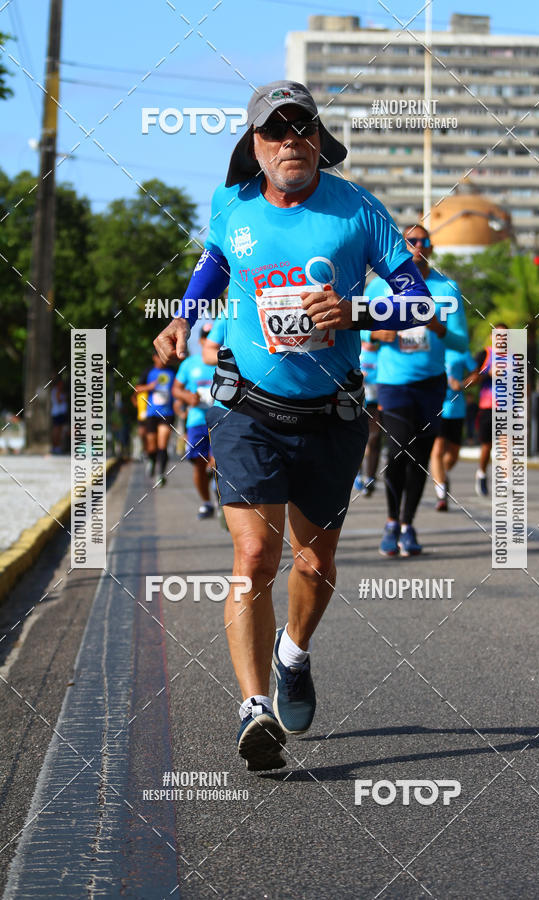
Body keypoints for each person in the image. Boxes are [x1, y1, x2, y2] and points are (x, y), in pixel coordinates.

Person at [153, 80, 440, 771]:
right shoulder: (231, 204)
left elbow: (420, 303)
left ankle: (294, 652)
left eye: (302, 128)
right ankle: (254, 708)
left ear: (319, 139)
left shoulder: (358, 209)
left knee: (314, 562)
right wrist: (182, 318)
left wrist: (357, 312)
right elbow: (214, 265)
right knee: (255, 555)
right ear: (254, 145)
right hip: (246, 407)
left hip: (331, 413)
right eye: (275, 131)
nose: (290, 142)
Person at [366, 224, 468, 557]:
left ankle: (407, 525)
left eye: (423, 241)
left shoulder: (446, 289)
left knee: (421, 457)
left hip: (431, 384)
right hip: (393, 383)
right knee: (397, 450)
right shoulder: (379, 287)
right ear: (401, 246)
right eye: (410, 241)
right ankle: (391, 522)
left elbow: (461, 343)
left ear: (431, 248)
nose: (417, 246)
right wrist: (374, 335)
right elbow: (354, 329)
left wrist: (439, 328)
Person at [172, 323, 217, 519]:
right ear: (200, 341)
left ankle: (223, 498)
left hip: (221, 419)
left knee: (217, 460)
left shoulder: (226, 361)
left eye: (213, 336)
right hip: (197, 420)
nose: (210, 340)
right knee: (199, 463)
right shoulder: (189, 364)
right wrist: (188, 397)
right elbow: (176, 389)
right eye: (206, 336)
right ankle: (207, 503)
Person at [430, 348, 478, 511]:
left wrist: (463, 384)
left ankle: (440, 475)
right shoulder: (432, 346)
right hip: (436, 407)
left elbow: (476, 375)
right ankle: (441, 494)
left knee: (453, 455)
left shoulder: (461, 350)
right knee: (437, 450)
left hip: (456, 409)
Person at [474, 322, 508, 497]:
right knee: (487, 446)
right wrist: (487, 374)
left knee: (505, 444)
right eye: (498, 335)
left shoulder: (514, 358)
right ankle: (481, 473)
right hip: (487, 407)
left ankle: (505, 481)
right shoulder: (485, 355)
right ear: (492, 337)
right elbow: (472, 378)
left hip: (507, 408)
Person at [135, 353, 176, 486]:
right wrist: (149, 387)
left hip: (167, 413)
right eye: (159, 356)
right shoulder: (148, 372)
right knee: (152, 446)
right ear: (154, 357)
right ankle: (151, 459)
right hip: (151, 413)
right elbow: (137, 389)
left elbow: (178, 388)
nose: (162, 359)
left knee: (162, 444)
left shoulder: (172, 372)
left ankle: (161, 474)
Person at [354, 330, 381, 496]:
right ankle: (357, 474)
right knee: (359, 440)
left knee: (374, 440)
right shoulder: (357, 353)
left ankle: (371, 477)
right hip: (358, 401)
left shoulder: (381, 354)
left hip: (376, 403)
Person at [50, 374, 68, 454]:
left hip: (59, 413)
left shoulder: (57, 390)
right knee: (57, 430)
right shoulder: (57, 390)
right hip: (58, 413)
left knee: (59, 430)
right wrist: (65, 398)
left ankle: (57, 447)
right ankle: (56, 447)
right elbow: (58, 400)